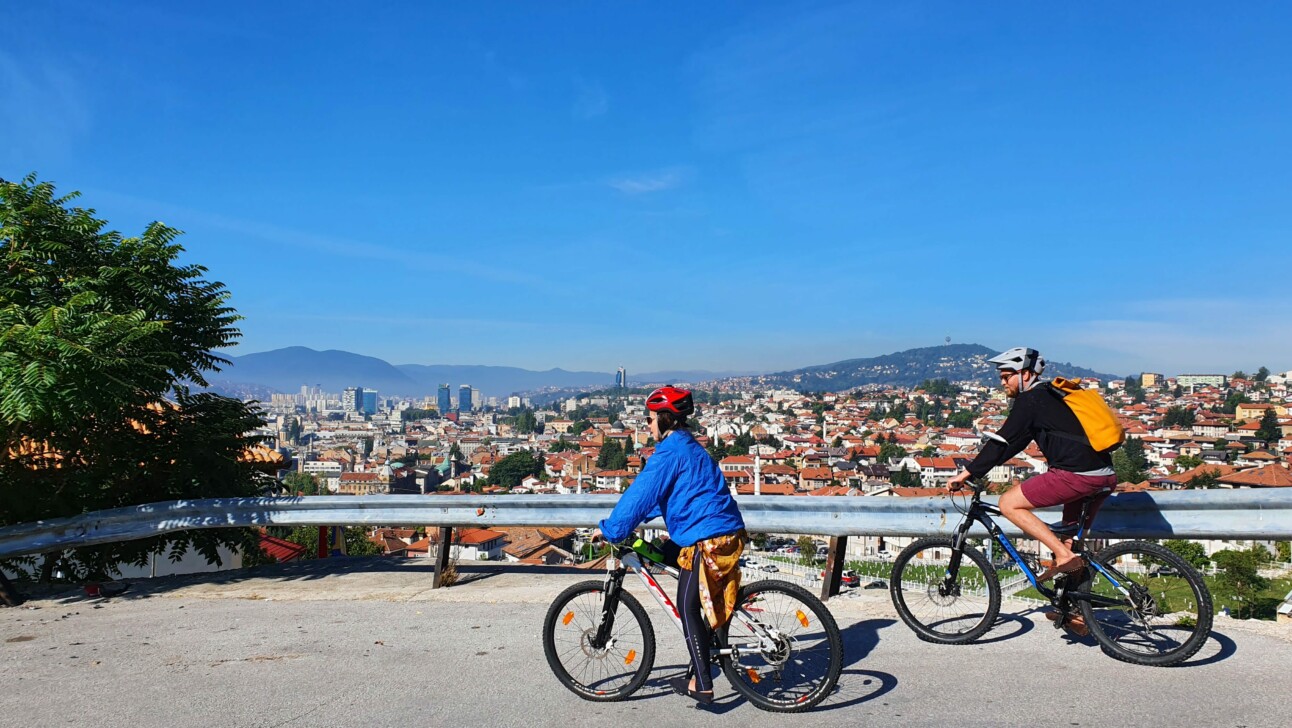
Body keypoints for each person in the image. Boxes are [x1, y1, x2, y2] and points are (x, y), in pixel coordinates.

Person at [591, 386, 746, 705]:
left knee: (686, 604)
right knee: (665, 552)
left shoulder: (670, 452)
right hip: (721, 530)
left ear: (664, 418)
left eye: (649, 419)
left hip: (708, 538)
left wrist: (613, 529)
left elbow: (640, 493)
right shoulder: (688, 446)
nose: (647, 426)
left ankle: (703, 684)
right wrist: (624, 526)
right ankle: (701, 658)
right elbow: (669, 497)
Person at [946, 347, 1118, 595]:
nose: (1002, 382)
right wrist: (978, 471)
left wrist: (966, 474)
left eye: (1006, 376)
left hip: (1076, 475)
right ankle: (1076, 611)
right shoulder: (1053, 395)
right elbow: (1013, 444)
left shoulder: (1031, 399)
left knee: (1008, 504)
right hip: (1104, 475)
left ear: (1025, 374)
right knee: (1071, 544)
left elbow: (1002, 440)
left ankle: (1061, 555)